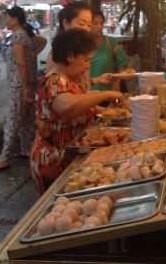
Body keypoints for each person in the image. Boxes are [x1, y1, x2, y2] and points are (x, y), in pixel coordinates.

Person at [30, 29, 123, 194]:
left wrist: (112, 111)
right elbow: (68, 107)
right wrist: (106, 94)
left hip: (71, 155)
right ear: (70, 56)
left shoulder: (70, 81)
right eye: (86, 60)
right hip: (53, 160)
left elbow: (82, 104)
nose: (88, 66)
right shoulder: (54, 80)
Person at [0, 6, 47, 174]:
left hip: (19, 85)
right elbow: (42, 41)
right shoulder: (26, 36)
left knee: (13, 121)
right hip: (27, 84)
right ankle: (28, 150)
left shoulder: (18, 37)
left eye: (7, 17)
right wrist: (33, 54)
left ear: (15, 19)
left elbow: (21, 64)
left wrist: (26, 89)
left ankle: (4, 158)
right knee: (26, 120)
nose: (5, 20)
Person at [45, 2, 112, 88]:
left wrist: (96, 80)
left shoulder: (80, 50)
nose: (86, 29)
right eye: (81, 24)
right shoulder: (57, 56)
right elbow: (60, 93)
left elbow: (80, 85)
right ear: (66, 23)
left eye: (89, 25)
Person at [91, 10, 131, 91]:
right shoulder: (80, 47)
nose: (99, 27)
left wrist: (128, 73)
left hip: (108, 96)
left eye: (101, 23)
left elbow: (124, 71)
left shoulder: (111, 44)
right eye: (95, 23)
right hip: (86, 96)